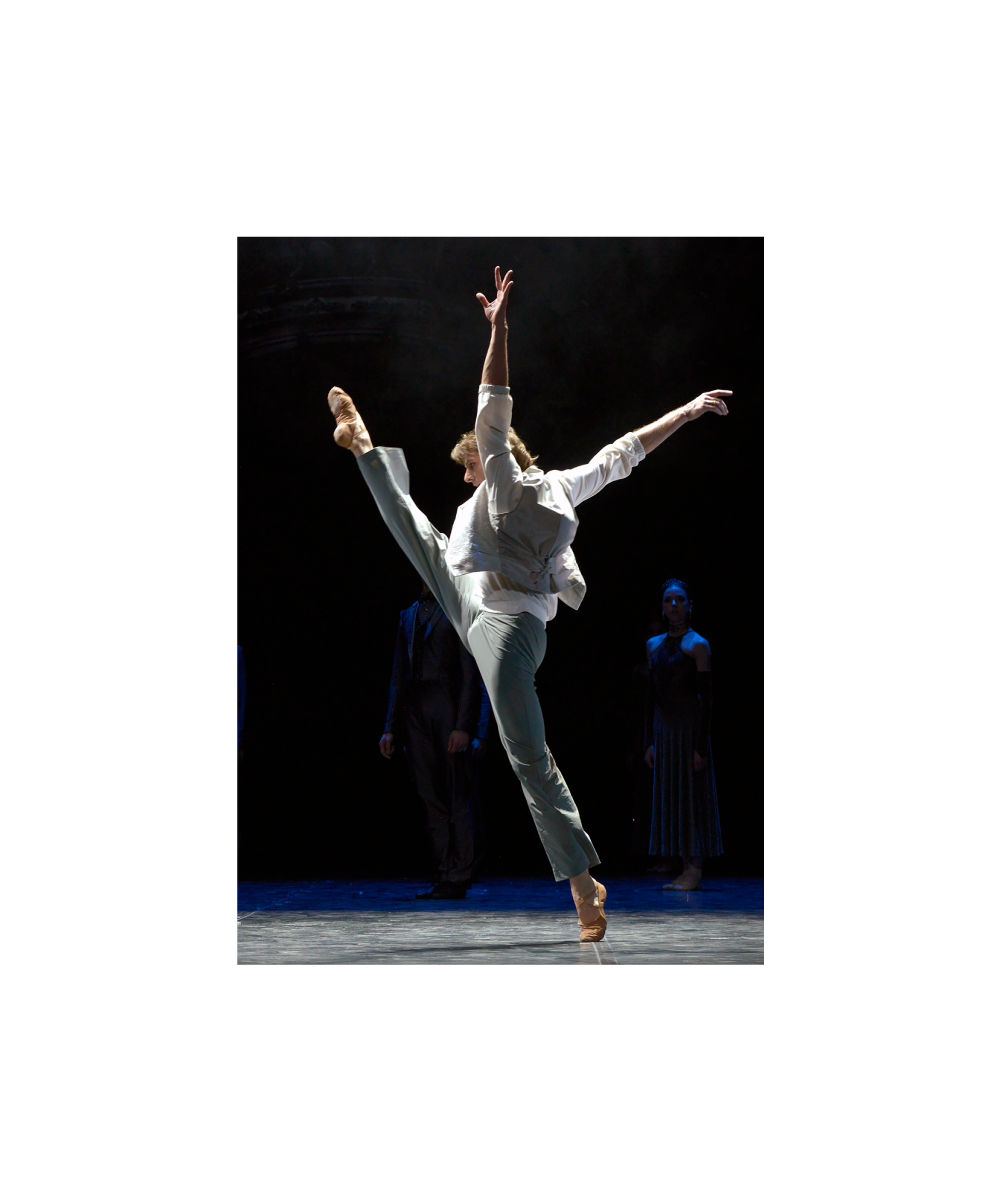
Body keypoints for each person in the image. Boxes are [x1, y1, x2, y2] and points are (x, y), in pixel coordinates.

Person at [327, 266, 730, 942]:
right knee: (418, 534)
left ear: (494, 459)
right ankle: (363, 445)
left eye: (469, 466)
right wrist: (685, 414)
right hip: (476, 600)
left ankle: (582, 883)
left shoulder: (508, 479)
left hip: (508, 630)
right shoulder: (543, 488)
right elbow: (623, 452)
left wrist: (501, 329)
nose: (466, 475)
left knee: (527, 757)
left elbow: (497, 402)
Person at [381, 580, 492, 899]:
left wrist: (463, 726)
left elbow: (470, 673)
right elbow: (397, 675)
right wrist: (389, 727)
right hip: (414, 710)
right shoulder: (408, 615)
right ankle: (443, 872)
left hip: (446, 706)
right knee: (429, 795)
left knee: (456, 793)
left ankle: (460, 874)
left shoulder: (456, 610)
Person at [644, 579, 722, 890]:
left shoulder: (698, 645)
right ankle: (683, 864)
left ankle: (695, 869)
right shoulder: (653, 645)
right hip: (665, 731)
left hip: (689, 731)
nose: (674, 605)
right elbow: (651, 697)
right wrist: (649, 741)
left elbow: (707, 700)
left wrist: (700, 745)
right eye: (668, 600)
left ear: (690, 605)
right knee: (673, 797)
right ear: (662, 607)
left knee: (692, 797)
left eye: (679, 600)